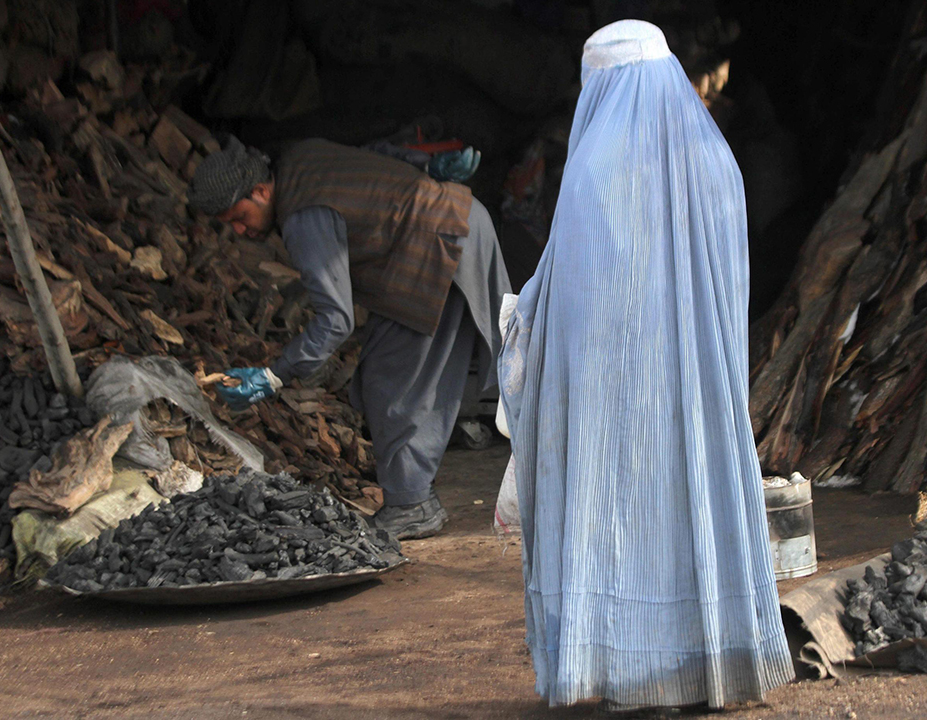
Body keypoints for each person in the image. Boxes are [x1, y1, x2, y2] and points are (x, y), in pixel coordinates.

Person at [497, 20, 795, 710]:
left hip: (616, 398)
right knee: (688, 510)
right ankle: (706, 666)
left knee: (624, 522)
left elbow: (576, 300)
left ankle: (626, 672)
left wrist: (525, 318)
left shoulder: (595, 173)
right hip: (697, 392)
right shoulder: (715, 160)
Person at [188, 136, 512, 540]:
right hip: (453, 223)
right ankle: (415, 498)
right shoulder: (299, 157)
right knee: (396, 369)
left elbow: (335, 319)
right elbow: (375, 154)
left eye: (239, 216)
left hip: (438, 243)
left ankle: (413, 505)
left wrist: (275, 374)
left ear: (260, 191)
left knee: (389, 384)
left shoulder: (303, 215)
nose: (239, 229)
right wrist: (424, 166)